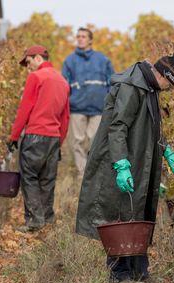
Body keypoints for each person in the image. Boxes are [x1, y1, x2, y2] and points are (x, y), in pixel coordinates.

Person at [75, 53, 174, 283]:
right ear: (162, 75)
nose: (170, 89)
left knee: (139, 212)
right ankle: (120, 275)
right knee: (122, 213)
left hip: (139, 156)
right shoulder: (131, 87)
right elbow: (118, 128)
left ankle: (140, 272)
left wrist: (166, 151)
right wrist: (121, 164)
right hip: (121, 156)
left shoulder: (149, 88)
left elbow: (153, 125)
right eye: (171, 83)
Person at [7, 45, 70, 232]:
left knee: (30, 177)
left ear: (38, 58)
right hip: (53, 137)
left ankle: (35, 221)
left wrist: (14, 136)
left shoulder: (36, 77)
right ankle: (47, 219)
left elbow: (25, 108)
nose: (28, 67)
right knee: (47, 179)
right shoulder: (62, 81)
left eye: (28, 62)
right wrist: (59, 141)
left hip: (35, 134)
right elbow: (65, 117)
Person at [62, 27, 114, 179]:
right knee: (77, 142)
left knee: (95, 141)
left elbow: (112, 82)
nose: (80, 39)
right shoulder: (69, 60)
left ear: (90, 40)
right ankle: (81, 174)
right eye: (78, 36)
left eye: (83, 36)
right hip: (77, 107)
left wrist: (109, 103)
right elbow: (64, 84)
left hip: (98, 108)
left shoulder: (103, 60)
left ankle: (94, 173)